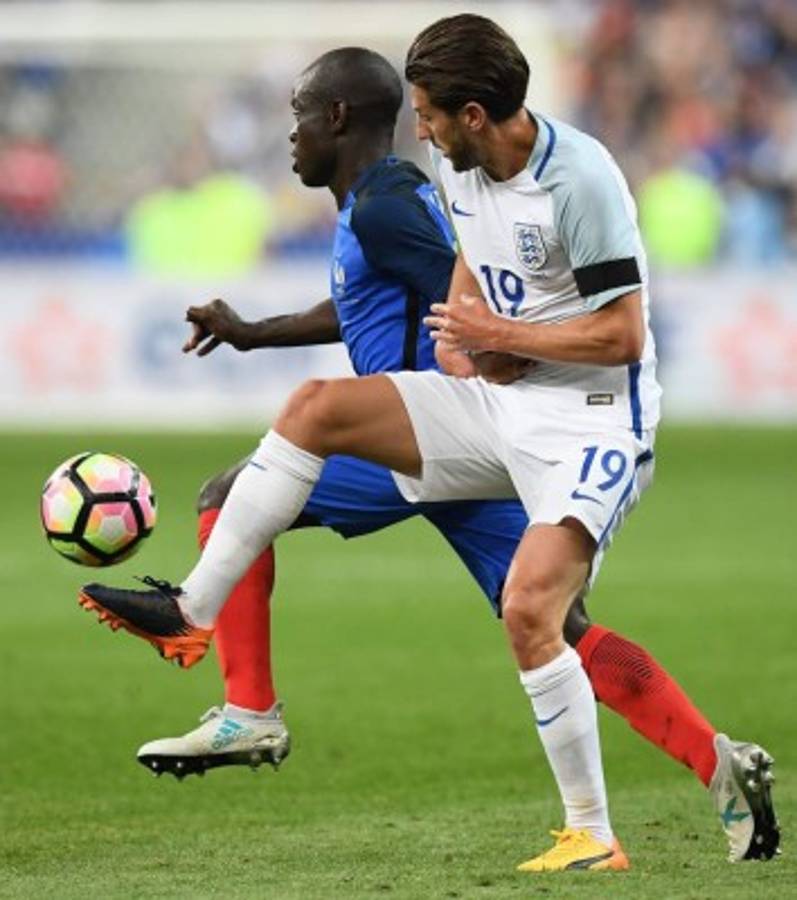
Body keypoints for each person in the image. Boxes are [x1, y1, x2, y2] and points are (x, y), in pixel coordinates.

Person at [78, 28, 778, 871]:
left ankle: (621, 814)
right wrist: (432, 340)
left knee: (539, 619)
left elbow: (614, 331)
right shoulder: (440, 176)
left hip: (558, 425)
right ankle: (227, 670)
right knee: (276, 457)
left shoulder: (485, 187)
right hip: (469, 415)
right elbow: (458, 280)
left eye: (299, 115)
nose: (422, 129)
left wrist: (488, 339)